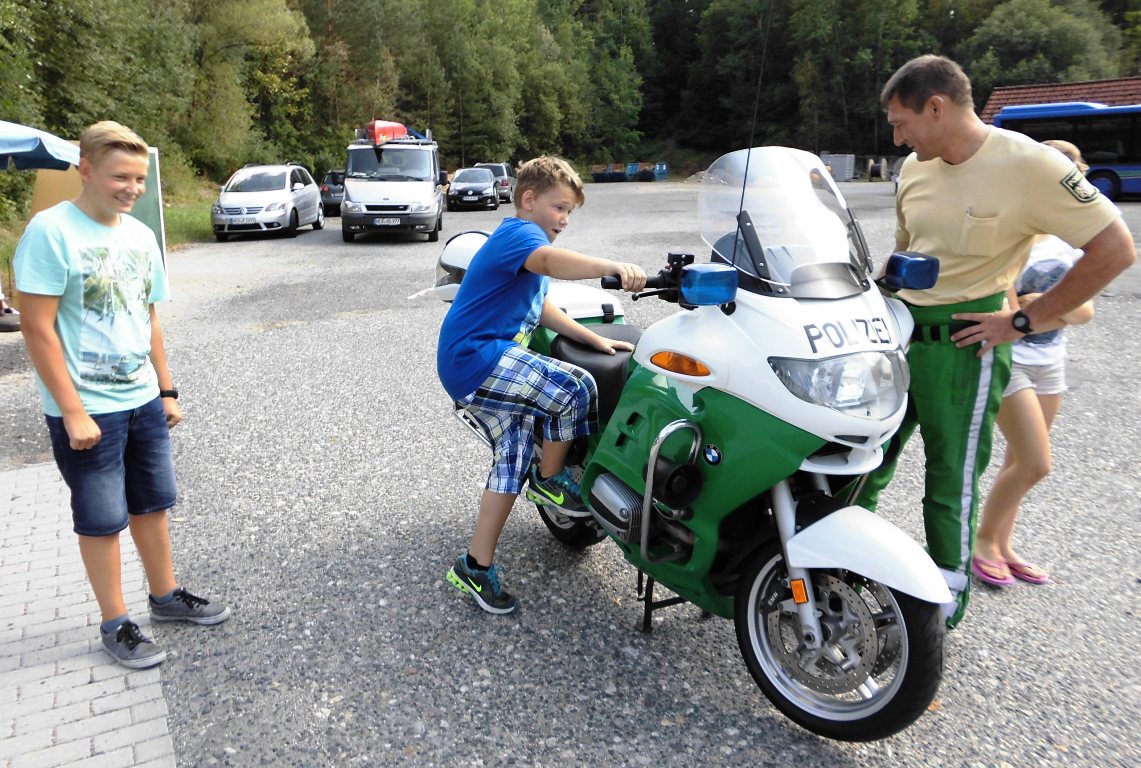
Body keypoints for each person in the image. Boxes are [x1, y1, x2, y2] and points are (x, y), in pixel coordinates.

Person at [855, 55, 1135, 628]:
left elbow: (1115, 249)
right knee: (863, 461)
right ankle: (842, 574)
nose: (897, 136)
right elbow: (908, 254)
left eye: (901, 122)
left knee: (949, 477)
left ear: (937, 106)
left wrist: (1024, 322)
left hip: (965, 344)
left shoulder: (1030, 165)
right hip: (900, 335)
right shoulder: (915, 167)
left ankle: (942, 609)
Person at [14, 121, 229, 669]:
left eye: (138, 177)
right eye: (119, 177)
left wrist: (167, 389)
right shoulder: (50, 231)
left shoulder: (138, 236)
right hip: (87, 413)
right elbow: (36, 328)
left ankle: (165, 598)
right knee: (101, 518)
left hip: (143, 402)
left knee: (153, 505)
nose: (131, 188)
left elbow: (149, 316)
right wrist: (71, 411)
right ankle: (116, 623)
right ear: (85, 170)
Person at [437, 155, 646, 614]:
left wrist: (596, 339)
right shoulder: (520, 235)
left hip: (469, 363)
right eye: (559, 208)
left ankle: (474, 567)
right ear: (528, 200)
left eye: (570, 212)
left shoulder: (526, 255)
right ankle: (550, 478)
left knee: (509, 463)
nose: (565, 220)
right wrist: (615, 266)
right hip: (477, 357)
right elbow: (551, 259)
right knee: (577, 387)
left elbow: (544, 309)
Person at [972, 140, 1096, 587]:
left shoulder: (1073, 238)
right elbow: (1007, 315)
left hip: (1051, 360)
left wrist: (1037, 306)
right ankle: (983, 542)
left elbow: (1086, 312)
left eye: (1075, 171)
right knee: (1036, 463)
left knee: (1017, 462)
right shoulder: (1013, 229)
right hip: (1011, 359)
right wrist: (1047, 308)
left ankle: (1004, 545)